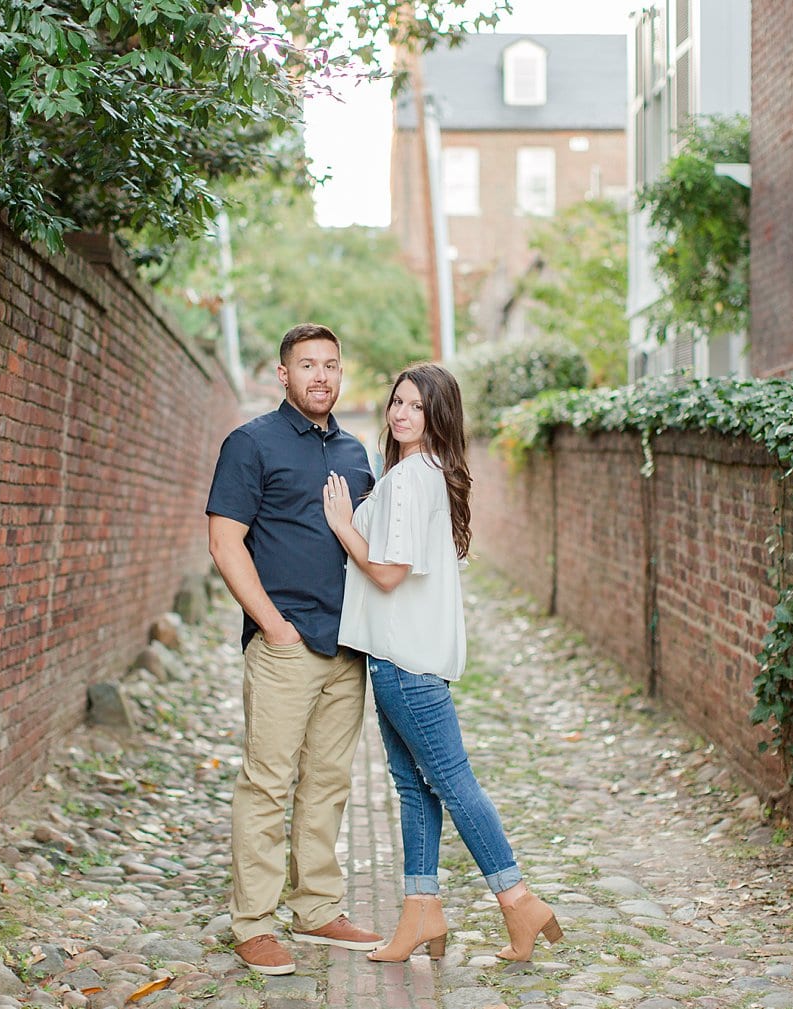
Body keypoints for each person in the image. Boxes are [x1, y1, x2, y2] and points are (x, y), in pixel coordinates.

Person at [321, 362, 562, 964]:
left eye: (415, 406)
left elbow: (387, 572)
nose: (401, 414)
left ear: (438, 415)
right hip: (409, 658)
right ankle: (422, 911)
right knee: (414, 788)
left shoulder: (407, 481)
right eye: (396, 402)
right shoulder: (430, 473)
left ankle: (518, 898)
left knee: (452, 785)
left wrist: (344, 526)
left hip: (403, 661)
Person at [205, 323, 384, 975]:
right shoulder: (250, 444)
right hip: (286, 645)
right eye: (306, 364)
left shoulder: (355, 452)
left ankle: (316, 907)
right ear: (283, 374)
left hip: (346, 647)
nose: (320, 375)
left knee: (329, 781)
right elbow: (225, 543)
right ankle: (253, 921)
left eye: (330, 365)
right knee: (267, 782)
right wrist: (274, 626)